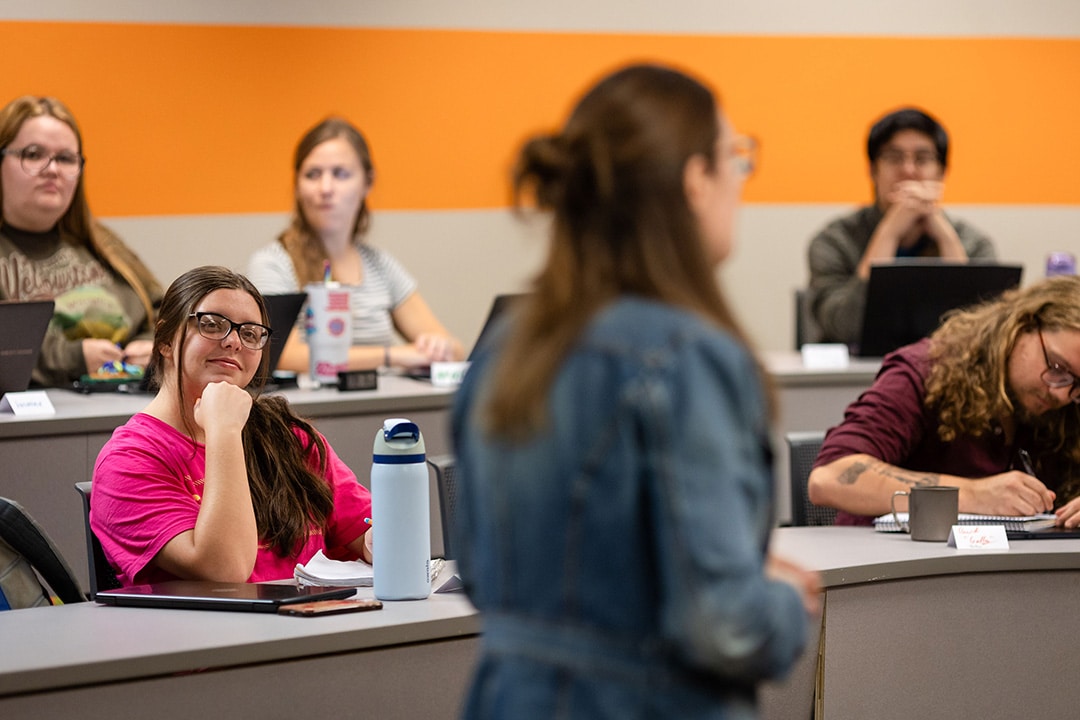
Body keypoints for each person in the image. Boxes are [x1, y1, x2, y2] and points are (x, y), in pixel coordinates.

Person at [451, 64, 819, 719]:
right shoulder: (687, 359)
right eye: (735, 158)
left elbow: (484, 575)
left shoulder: (504, 353)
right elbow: (723, 624)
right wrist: (784, 604)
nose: (741, 182)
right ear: (694, 180)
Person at [91, 266, 373, 586]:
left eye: (251, 333)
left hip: (316, 623)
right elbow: (226, 571)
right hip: (208, 633)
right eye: (212, 325)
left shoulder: (288, 437)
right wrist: (224, 431)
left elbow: (364, 533)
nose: (234, 342)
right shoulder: (128, 459)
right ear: (165, 341)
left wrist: (381, 538)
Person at [808, 276, 1080, 526]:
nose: (1061, 394)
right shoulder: (926, 372)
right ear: (1021, 326)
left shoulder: (1069, 407)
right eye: (1057, 368)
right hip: (891, 567)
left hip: (1009, 572)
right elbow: (830, 478)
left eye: (1077, 385)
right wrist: (972, 494)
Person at [247, 117, 463, 373]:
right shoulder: (273, 264)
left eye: (340, 174)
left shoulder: (379, 264)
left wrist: (437, 348)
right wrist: (394, 355)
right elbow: (283, 355)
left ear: (367, 183)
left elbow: (455, 349)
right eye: (312, 174)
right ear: (297, 185)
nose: (325, 188)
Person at [0, 95, 163, 386]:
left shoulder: (102, 242)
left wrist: (152, 346)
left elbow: (167, 310)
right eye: (34, 154)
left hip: (125, 408)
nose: (52, 169)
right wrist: (74, 358)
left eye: (65, 158)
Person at [807, 107, 996, 346]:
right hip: (854, 379)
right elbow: (847, 327)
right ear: (872, 170)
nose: (908, 171)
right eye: (894, 158)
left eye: (923, 159)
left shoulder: (973, 242)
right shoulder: (834, 241)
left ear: (942, 172)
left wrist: (946, 239)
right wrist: (889, 233)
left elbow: (982, 333)